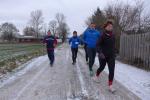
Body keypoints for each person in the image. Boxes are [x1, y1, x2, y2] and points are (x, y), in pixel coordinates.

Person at [94, 21, 116, 92]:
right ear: (105, 27)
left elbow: (112, 45)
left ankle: (110, 85)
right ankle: (96, 76)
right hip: (102, 55)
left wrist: (115, 51)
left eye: (111, 26)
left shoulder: (113, 35)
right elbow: (97, 45)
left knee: (112, 70)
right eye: (109, 26)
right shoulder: (102, 35)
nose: (110, 27)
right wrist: (100, 53)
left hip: (111, 56)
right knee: (102, 67)